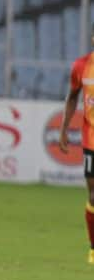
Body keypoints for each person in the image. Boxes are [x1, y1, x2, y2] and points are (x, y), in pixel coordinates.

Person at [59, 23, 94, 265]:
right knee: (93, 194)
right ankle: (93, 247)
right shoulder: (82, 66)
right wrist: (64, 128)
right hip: (92, 138)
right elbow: (72, 97)